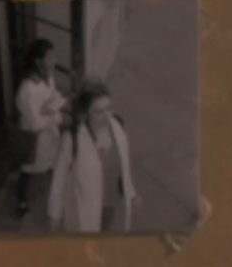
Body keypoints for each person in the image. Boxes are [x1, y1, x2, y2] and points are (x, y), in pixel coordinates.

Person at [47, 80, 138, 233]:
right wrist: (55, 213)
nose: (107, 116)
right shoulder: (73, 138)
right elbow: (60, 176)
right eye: (98, 111)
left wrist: (131, 192)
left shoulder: (119, 128)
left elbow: (123, 166)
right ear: (86, 112)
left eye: (109, 108)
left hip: (111, 203)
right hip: (85, 206)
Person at [13, 37, 67, 218]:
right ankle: (21, 203)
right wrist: (54, 116)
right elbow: (35, 123)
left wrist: (59, 100)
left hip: (49, 133)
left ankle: (54, 196)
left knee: (52, 162)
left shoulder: (47, 76)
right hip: (34, 137)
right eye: (50, 58)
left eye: (54, 57)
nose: (54, 61)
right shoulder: (28, 89)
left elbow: (52, 95)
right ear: (38, 61)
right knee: (28, 169)